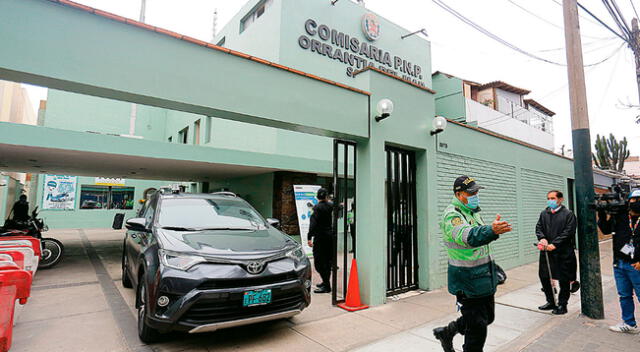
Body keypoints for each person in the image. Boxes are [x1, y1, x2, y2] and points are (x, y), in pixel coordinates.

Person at [433, 176, 512, 352]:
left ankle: (447, 332)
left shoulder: (473, 212)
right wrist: (491, 230)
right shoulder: (452, 215)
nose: (475, 195)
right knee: (477, 329)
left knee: (487, 318)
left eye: (476, 191)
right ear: (458, 194)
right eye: (471, 192)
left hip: (484, 276)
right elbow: (468, 237)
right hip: (466, 280)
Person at [598, 189, 640, 334]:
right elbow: (605, 230)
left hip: (637, 265)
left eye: (638, 200)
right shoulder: (622, 216)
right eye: (633, 200)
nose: (635, 203)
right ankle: (629, 324)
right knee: (624, 295)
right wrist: (603, 214)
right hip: (620, 263)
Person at [535, 190, 577, 315]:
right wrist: (542, 238)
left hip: (563, 253)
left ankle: (562, 305)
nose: (550, 200)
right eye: (548, 198)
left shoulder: (568, 214)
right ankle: (550, 301)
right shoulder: (544, 213)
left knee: (564, 280)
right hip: (547, 251)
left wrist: (555, 244)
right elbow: (538, 227)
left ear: (560, 199)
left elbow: (568, 232)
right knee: (544, 277)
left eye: (553, 198)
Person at [308, 188, 334, 294]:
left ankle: (326, 286)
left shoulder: (317, 208)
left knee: (319, 262)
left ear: (317, 197)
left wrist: (309, 237)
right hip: (330, 236)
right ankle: (325, 282)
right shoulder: (330, 205)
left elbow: (313, 224)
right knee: (327, 261)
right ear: (326, 196)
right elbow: (340, 207)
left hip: (320, 237)